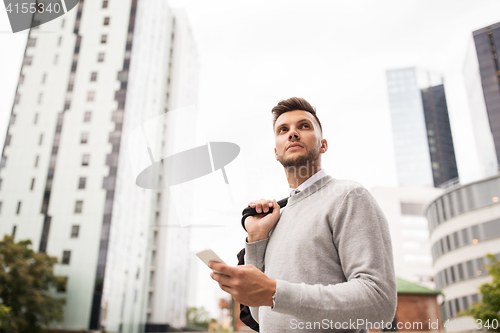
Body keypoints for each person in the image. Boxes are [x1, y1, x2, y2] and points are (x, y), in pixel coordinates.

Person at [209, 97, 397, 332]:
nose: (293, 133)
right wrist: (257, 239)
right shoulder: (276, 218)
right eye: (283, 129)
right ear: (276, 153)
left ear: (323, 145)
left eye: (304, 126)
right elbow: (261, 316)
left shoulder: (349, 196)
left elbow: (379, 304)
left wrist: (275, 291)